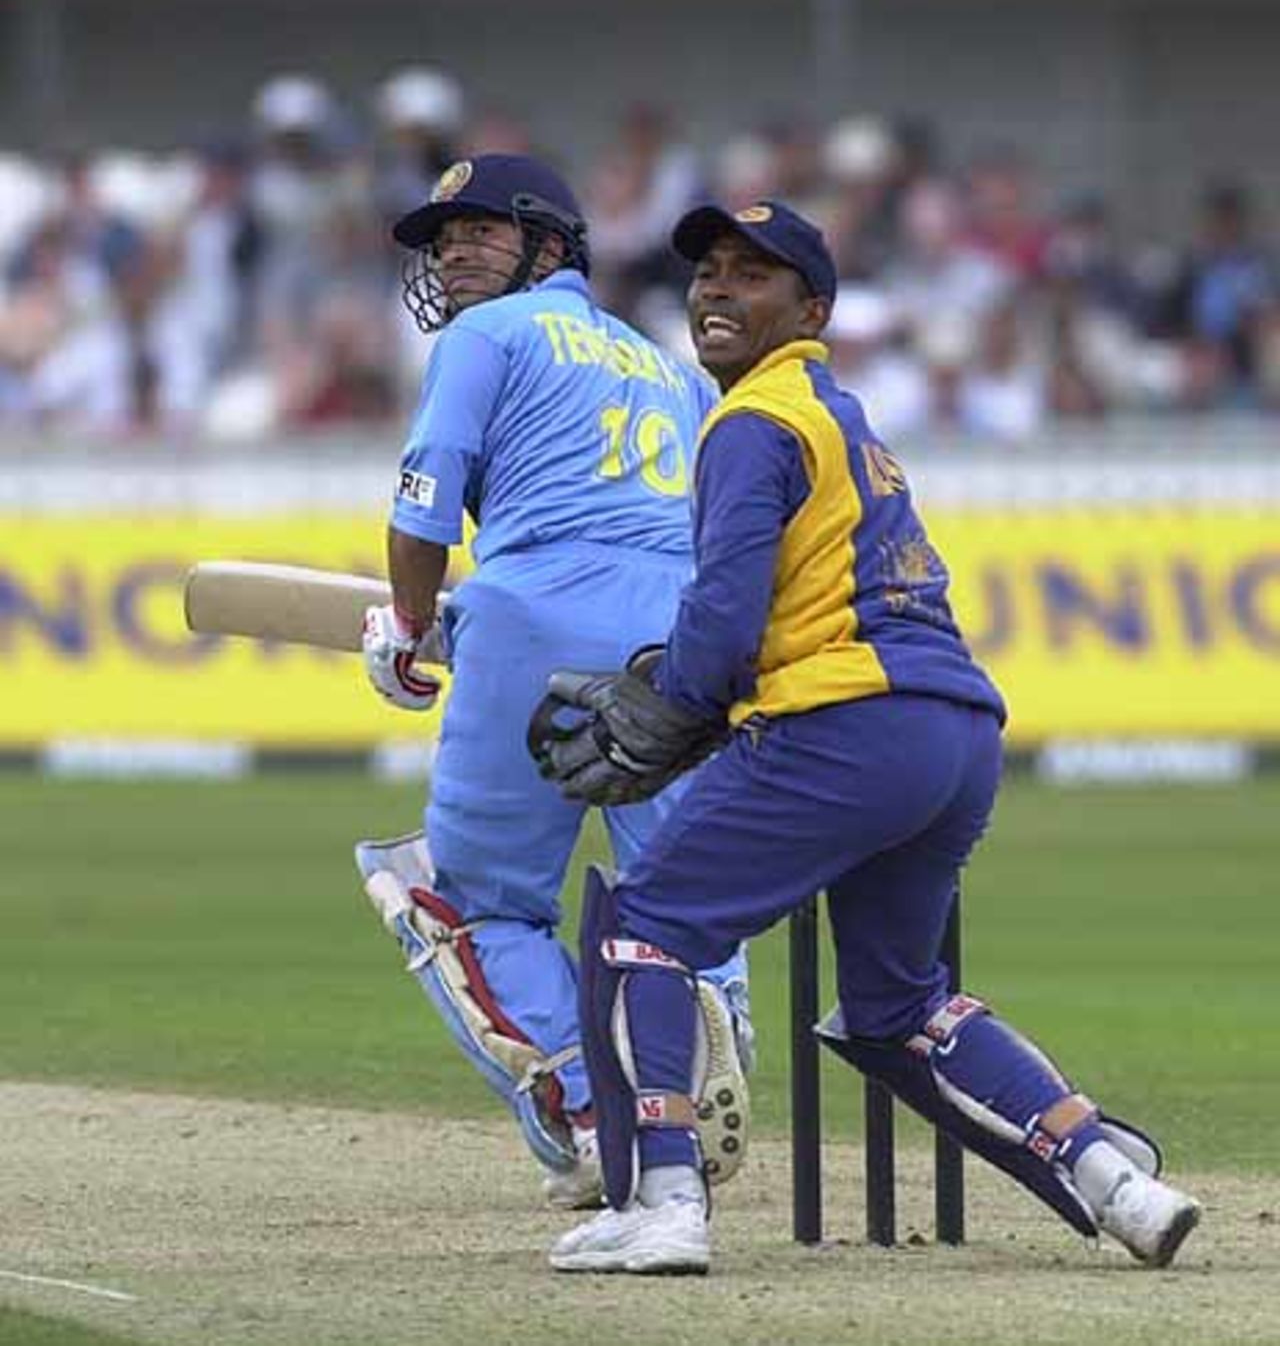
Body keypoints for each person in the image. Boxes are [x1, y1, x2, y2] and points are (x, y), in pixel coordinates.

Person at [530, 199, 1202, 1274]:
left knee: (642, 931)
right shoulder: (841, 417)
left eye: (751, 276)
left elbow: (726, 604)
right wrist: (696, 686)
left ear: (813, 308)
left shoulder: (753, 419)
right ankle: (1111, 1176)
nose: (715, 290)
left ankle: (661, 1202)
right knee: (896, 1008)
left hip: (843, 723)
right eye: (708, 272)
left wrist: (683, 696)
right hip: (949, 732)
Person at [354, 153, 751, 1212]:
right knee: (685, 891)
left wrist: (402, 628)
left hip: (533, 616)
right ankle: (711, 1048)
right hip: (682, 633)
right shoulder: (667, 364)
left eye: (479, 232)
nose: (452, 253)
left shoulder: (482, 335)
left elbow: (425, 504)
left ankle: (586, 1111)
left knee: (467, 900)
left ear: (549, 244)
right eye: (443, 241)